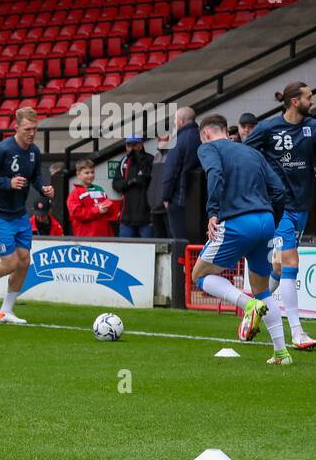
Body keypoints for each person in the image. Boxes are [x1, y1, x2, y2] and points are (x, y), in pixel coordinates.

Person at [189, 113, 291, 365]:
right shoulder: (252, 152)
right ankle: (281, 353)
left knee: (199, 276)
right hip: (266, 220)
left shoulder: (209, 148)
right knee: (263, 291)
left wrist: (213, 212)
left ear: (205, 134)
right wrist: (271, 221)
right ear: (227, 129)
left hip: (237, 222)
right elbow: (278, 190)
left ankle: (247, 306)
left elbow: (215, 173)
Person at [241, 82, 316, 350]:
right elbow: (245, 154)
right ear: (293, 101)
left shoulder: (314, 128)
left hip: (303, 205)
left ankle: (254, 306)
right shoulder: (267, 128)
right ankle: (297, 332)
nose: (312, 101)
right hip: (278, 207)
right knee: (290, 264)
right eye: (309, 96)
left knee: (277, 268)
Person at [0, 107, 55, 323]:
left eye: (34, 129)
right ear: (16, 127)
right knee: (10, 263)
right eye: (27, 129)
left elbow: (36, 177)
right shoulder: (2, 150)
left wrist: (44, 188)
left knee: (24, 262)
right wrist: (8, 183)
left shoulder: (33, 151)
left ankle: (6, 311)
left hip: (19, 213)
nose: (31, 133)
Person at [159, 106, 200, 242]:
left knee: (180, 243)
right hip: (201, 200)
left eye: (175, 120)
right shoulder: (202, 136)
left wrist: (165, 196)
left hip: (179, 200)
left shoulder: (179, 140)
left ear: (181, 121)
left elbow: (171, 171)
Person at [65, 158, 118, 237]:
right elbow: (77, 213)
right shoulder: (75, 193)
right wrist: (97, 210)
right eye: (87, 173)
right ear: (78, 174)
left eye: (92, 172)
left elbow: (110, 213)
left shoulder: (100, 189)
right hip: (86, 236)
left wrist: (109, 207)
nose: (90, 175)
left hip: (104, 234)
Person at [113, 137, 153, 237]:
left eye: (134, 145)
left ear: (141, 145)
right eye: (129, 145)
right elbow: (116, 185)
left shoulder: (150, 159)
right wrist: (130, 182)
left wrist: (141, 180)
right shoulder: (123, 162)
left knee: (148, 249)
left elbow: (151, 183)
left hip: (146, 216)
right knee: (124, 249)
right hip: (127, 217)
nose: (131, 148)